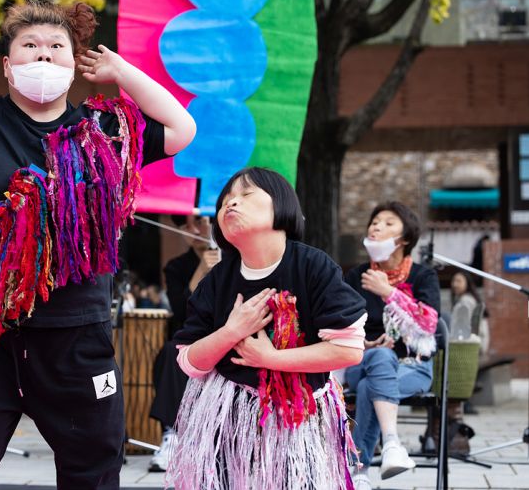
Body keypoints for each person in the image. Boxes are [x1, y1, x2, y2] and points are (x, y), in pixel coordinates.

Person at [0, 0, 195, 489]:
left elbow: (180, 129)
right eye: (29, 46)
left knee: (94, 468)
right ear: (7, 64)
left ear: (74, 65)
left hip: (76, 334)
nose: (42, 57)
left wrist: (123, 72)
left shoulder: (104, 130)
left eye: (55, 48)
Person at [168, 168, 366, 490]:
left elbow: (349, 348)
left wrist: (270, 358)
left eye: (246, 195)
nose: (231, 204)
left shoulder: (314, 266)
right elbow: (189, 361)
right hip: (228, 412)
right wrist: (231, 331)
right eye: (225, 201)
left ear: (281, 205)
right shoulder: (217, 280)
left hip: (299, 413)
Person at [344, 201, 440, 490]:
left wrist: (389, 292)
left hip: (412, 367)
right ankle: (392, 444)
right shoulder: (355, 276)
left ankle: (358, 474)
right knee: (379, 358)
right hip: (360, 362)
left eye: (387, 223)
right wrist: (365, 342)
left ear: (405, 239)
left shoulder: (423, 276)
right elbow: (339, 324)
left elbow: (429, 327)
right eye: (374, 222)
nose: (376, 227)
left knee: (369, 384)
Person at [147, 214, 219, 472]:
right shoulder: (177, 266)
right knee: (170, 353)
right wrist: (202, 269)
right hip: (191, 338)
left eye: (200, 221)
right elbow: (182, 311)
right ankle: (172, 435)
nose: (195, 230)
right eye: (187, 226)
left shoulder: (236, 258)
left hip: (228, 336)